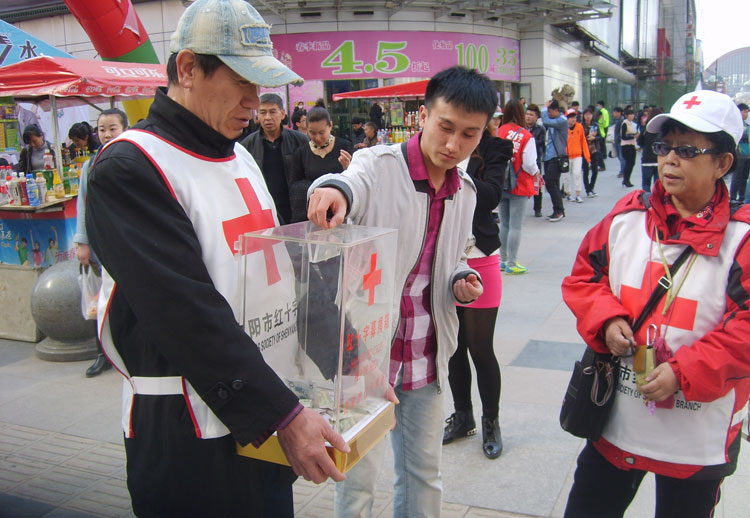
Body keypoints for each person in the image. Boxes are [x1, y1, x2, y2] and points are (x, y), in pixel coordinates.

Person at [85, 1, 349, 516]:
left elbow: (285, 269)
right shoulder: (131, 166)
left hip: (265, 414)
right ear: (187, 68)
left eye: (262, 84)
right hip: (188, 435)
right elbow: (185, 312)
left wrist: (350, 357)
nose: (256, 100)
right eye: (243, 81)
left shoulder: (240, 153)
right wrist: (286, 416)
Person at [306, 65, 490, 518]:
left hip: (426, 352)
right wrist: (333, 190)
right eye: (445, 127)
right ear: (423, 115)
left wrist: (458, 280)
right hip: (365, 355)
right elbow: (347, 185)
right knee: (357, 476)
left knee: (424, 474)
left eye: (469, 134)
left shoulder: (464, 191)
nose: (453, 145)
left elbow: (449, 258)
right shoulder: (379, 165)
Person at [562, 89, 750, 518]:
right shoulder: (625, 219)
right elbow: (583, 279)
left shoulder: (742, 240)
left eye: (688, 150)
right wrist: (607, 321)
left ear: (723, 163)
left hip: (695, 434)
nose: (668, 160)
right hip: (616, 422)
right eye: (665, 147)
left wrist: (685, 372)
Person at [443, 105, 512, 459]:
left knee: (480, 347)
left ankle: (491, 421)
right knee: (453, 346)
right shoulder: (440, 147)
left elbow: (490, 197)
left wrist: (451, 173)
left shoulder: (495, 150)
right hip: (445, 257)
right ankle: (463, 416)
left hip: (481, 256)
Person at [75, 108, 129, 378]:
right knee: (101, 301)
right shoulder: (90, 165)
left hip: (128, 246)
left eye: (112, 128)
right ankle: (102, 353)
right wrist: (82, 242)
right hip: (101, 246)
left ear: (125, 129)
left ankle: (127, 350)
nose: (106, 134)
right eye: (102, 129)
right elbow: (82, 205)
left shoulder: (134, 161)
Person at [240, 93, 309, 224]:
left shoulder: (300, 140)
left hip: (294, 209)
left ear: (282, 114)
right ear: (257, 116)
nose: (267, 118)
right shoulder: (247, 145)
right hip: (264, 209)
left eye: (272, 112)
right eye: (263, 112)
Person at [288, 106, 353, 222]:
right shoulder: (301, 152)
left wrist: (348, 168)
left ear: (330, 126)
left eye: (322, 132)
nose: (317, 138)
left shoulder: (344, 147)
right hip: (312, 214)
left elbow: (356, 182)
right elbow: (294, 186)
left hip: (339, 214)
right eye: (312, 133)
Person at [497, 99, 539, 274]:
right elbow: (529, 163)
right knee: (515, 226)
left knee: (504, 224)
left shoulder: (499, 131)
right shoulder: (526, 136)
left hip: (500, 183)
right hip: (519, 185)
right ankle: (513, 263)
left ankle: (502, 259)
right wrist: (536, 172)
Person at [542, 99, 568, 221]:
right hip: (549, 156)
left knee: (550, 182)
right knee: (553, 183)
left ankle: (559, 210)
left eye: (550, 111)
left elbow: (546, 120)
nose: (548, 113)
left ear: (556, 110)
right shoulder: (554, 121)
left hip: (557, 156)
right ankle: (557, 210)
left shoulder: (562, 121)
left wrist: (543, 109)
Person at [565, 108, 590, 203]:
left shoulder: (580, 127)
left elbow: (583, 141)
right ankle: (568, 193)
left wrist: (587, 156)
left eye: (574, 117)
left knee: (577, 174)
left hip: (577, 155)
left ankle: (578, 194)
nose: (573, 119)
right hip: (566, 156)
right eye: (570, 117)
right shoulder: (563, 128)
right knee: (566, 176)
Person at [637, 107, 664, 192]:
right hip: (659, 160)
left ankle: (647, 203)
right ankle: (657, 203)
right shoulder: (663, 130)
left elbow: (639, 142)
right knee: (658, 185)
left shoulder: (646, 129)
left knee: (646, 184)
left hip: (647, 160)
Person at [526, 103, 546, 217]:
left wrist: (529, 140)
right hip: (523, 162)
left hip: (535, 161)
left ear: (536, 117)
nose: (528, 117)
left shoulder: (540, 129)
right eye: (527, 114)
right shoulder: (521, 129)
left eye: (531, 115)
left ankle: (537, 208)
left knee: (537, 186)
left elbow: (541, 144)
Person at [581, 107, 600, 197]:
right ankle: (587, 189)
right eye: (586, 114)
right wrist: (587, 137)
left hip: (594, 149)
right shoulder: (581, 126)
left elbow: (601, 137)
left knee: (595, 170)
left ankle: (591, 187)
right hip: (584, 150)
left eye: (590, 114)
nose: (588, 116)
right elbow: (579, 138)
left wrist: (595, 138)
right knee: (585, 170)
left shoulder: (595, 125)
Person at [733, 103, 750, 202]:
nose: (746, 114)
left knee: (744, 177)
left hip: (748, 155)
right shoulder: (736, 125)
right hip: (739, 154)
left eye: (747, 112)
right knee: (737, 177)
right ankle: (732, 197)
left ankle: (741, 197)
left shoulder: (747, 126)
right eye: (744, 111)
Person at [620, 109, 639, 187]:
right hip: (626, 146)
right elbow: (623, 136)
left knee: (632, 163)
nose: (632, 116)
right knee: (629, 163)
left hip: (632, 145)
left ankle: (627, 179)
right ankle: (626, 180)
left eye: (632, 114)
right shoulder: (625, 123)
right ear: (626, 116)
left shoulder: (633, 124)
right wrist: (633, 136)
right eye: (630, 114)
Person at [611, 106, 625, 178]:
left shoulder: (621, 121)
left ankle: (623, 172)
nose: (614, 114)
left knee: (621, 157)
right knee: (620, 156)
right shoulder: (618, 120)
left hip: (620, 141)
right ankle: (623, 171)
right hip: (617, 140)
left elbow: (620, 132)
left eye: (615, 112)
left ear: (619, 113)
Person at [595, 100, 610, 170]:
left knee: (601, 144)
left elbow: (602, 121)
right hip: (604, 127)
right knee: (602, 143)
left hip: (603, 127)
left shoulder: (603, 112)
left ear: (601, 105)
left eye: (598, 105)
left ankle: (603, 155)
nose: (597, 107)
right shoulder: (605, 111)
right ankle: (604, 155)